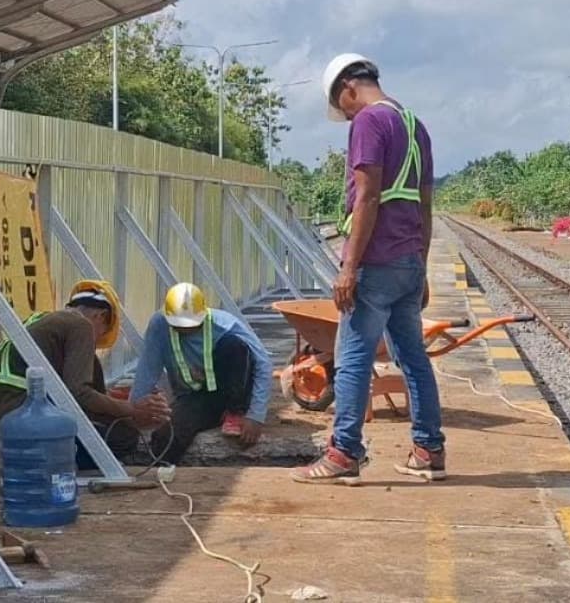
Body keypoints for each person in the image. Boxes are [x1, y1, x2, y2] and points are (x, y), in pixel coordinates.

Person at [291, 53, 446, 486]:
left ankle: (343, 453)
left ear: (348, 88)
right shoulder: (415, 126)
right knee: (413, 359)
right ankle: (429, 450)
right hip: (408, 261)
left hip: (375, 264)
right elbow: (425, 204)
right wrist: (421, 266)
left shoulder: (369, 121)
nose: (345, 116)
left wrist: (349, 268)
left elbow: (368, 196)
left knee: (352, 359)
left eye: (341, 107)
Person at [0, 280, 170, 469]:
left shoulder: (45, 321)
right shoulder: (82, 325)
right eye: (101, 334)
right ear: (100, 316)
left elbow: (74, 393)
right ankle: (54, 464)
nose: (95, 342)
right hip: (24, 421)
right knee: (123, 437)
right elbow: (79, 394)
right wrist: (132, 410)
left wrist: (118, 407)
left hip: (4, 419)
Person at [129, 283, 274, 465]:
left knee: (233, 346)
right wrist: (133, 409)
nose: (185, 329)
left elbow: (263, 363)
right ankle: (163, 469)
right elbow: (148, 367)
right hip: (196, 396)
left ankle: (235, 412)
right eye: (179, 325)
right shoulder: (159, 325)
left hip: (234, 389)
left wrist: (255, 416)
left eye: (191, 325)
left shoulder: (225, 325)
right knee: (169, 434)